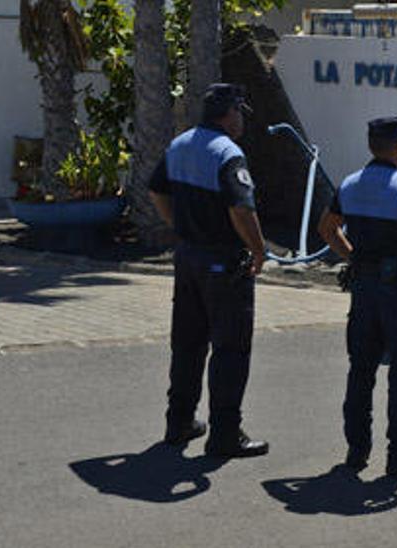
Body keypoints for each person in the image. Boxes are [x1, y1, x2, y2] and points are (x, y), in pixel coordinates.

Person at [317, 117, 397, 478]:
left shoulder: (350, 185)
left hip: (363, 290)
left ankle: (356, 451)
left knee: (361, 370)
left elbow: (326, 228)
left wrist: (353, 256)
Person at [148, 83, 269, 458]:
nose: (242, 121)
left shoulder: (181, 144)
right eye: (240, 113)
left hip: (188, 257)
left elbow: (157, 191)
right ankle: (225, 434)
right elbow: (242, 210)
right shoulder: (228, 153)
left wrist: (181, 226)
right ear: (228, 113)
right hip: (223, 262)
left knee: (187, 344)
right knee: (230, 349)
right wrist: (259, 250)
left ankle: (179, 421)